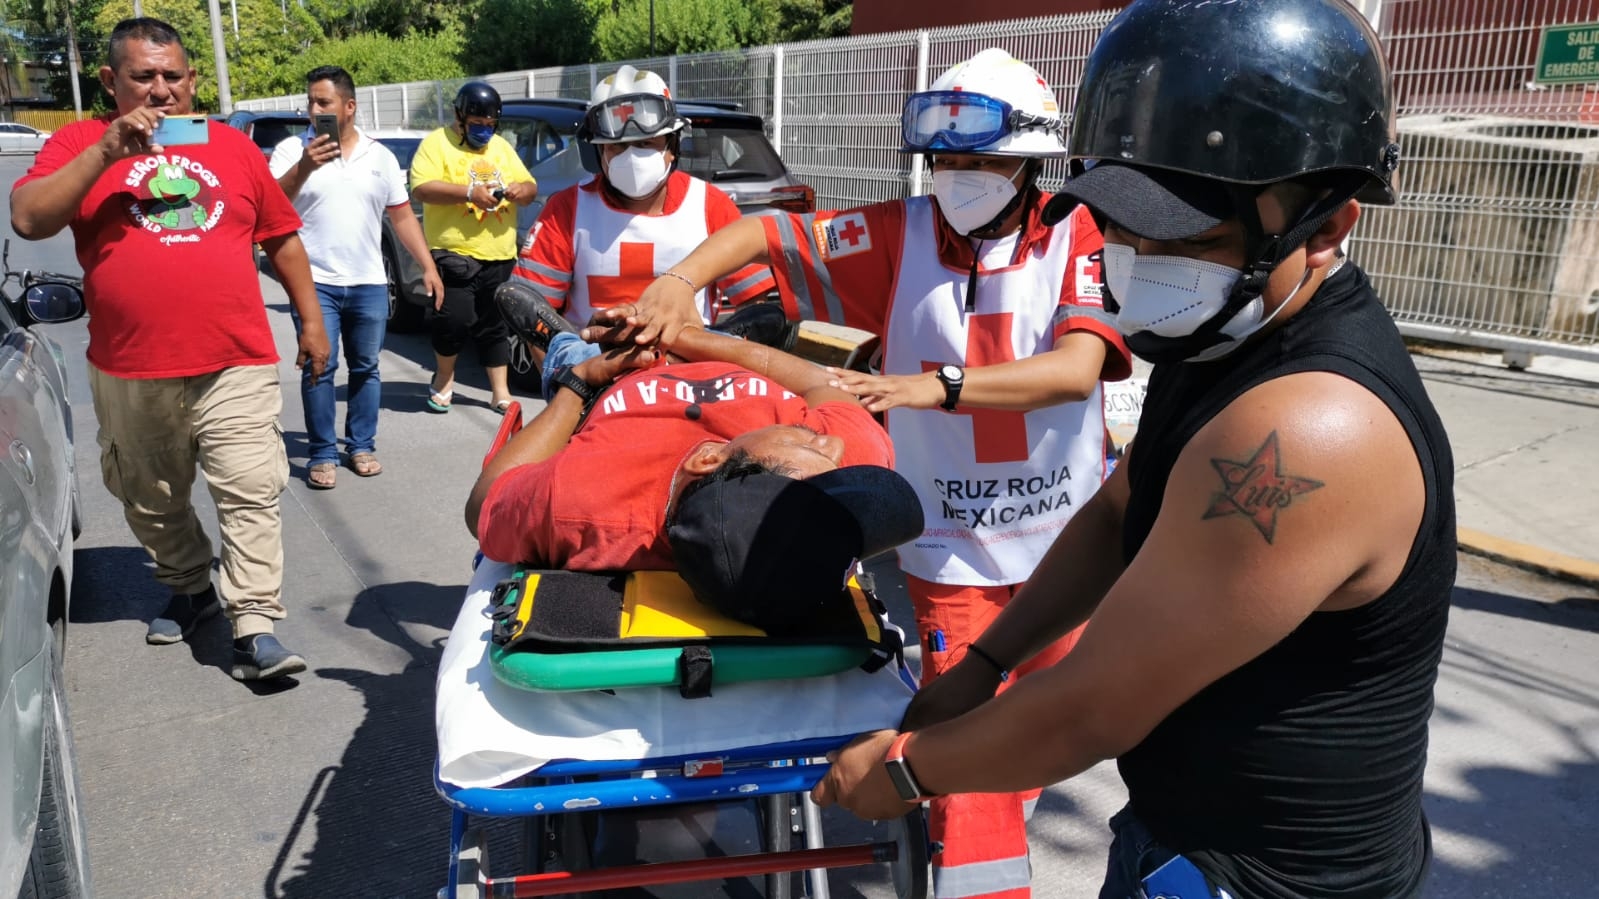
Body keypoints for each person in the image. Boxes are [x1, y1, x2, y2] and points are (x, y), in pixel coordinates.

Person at [809, 2, 1456, 898]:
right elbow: (1120, 507)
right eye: (1120, 222)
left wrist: (911, 769)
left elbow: (1094, 704)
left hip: (1268, 878)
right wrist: (988, 664)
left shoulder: (1309, 426)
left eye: (1188, 234)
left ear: (1324, 226)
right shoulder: (1224, 332)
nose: (1140, 259)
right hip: (1178, 835)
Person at [595, 48, 1131, 899]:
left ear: (1030, 159)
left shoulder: (1077, 235)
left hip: (1064, 547)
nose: (959, 177)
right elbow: (770, 233)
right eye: (945, 159)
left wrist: (934, 386)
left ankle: (958, 799)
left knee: (1054, 721)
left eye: (981, 160)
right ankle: (978, 875)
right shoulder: (898, 233)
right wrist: (677, 281)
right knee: (971, 734)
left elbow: (1076, 367)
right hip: (947, 551)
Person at [9, 17, 333, 681]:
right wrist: (107, 152)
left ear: (191, 80)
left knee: (249, 489)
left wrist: (310, 320)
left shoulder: (230, 147)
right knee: (150, 498)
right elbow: (30, 216)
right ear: (110, 81)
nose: (161, 91)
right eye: (143, 77)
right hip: (130, 368)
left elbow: (282, 237)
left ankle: (255, 625)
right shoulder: (75, 143)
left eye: (173, 76)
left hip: (234, 360)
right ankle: (191, 589)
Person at [465, 319, 896, 586]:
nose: (830, 443)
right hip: (718, 351)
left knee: (574, 347)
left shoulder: (584, 504)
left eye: (802, 442)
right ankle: (726, 330)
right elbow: (821, 383)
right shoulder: (850, 472)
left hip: (613, 377)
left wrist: (580, 382)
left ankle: (556, 341)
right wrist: (682, 333)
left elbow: (485, 504)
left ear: (708, 457)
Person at [506, 64, 785, 388]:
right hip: (596, 385)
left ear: (672, 147)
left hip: (692, 385)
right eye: (618, 146)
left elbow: (756, 307)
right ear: (597, 152)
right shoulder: (565, 210)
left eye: (646, 143)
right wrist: (567, 389)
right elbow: (535, 317)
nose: (633, 157)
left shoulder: (711, 205)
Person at [270, 65, 444, 489]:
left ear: (349, 107)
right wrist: (307, 167)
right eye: (310, 101)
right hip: (314, 283)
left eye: (323, 102)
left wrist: (428, 265)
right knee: (319, 366)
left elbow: (401, 216)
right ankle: (322, 452)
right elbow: (271, 205)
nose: (314, 109)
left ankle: (361, 445)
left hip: (367, 281)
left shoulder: (379, 157)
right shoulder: (293, 151)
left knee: (366, 368)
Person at [409, 81, 538, 414]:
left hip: (499, 253)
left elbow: (530, 186)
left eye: (490, 125)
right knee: (454, 319)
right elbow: (422, 188)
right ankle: (444, 379)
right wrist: (468, 193)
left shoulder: (500, 148)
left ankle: (500, 392)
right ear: (460, 117)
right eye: (477, 124)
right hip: (454, 252)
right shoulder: (436, 144)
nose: (484, 131)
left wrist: (519, 190)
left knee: (495, 324)